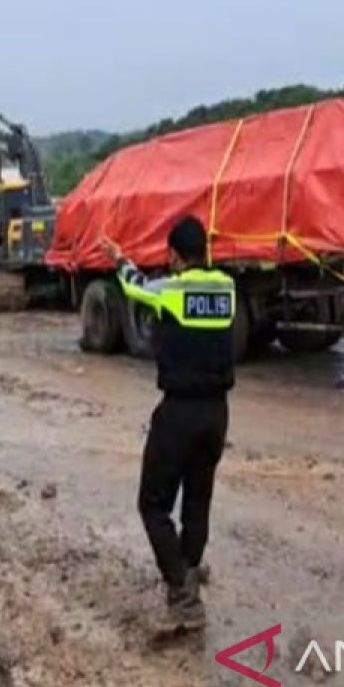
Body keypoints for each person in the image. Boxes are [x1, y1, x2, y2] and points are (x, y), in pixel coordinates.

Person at [100, 215, 235, 631]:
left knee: (153, 503)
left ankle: (181, 590)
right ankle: (190, 567)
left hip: (179, 412)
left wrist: (119, 257)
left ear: (175, 256)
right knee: (198, 499)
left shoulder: (172, 290)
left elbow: (134, 286)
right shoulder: (227, 289)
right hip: (217, 413)